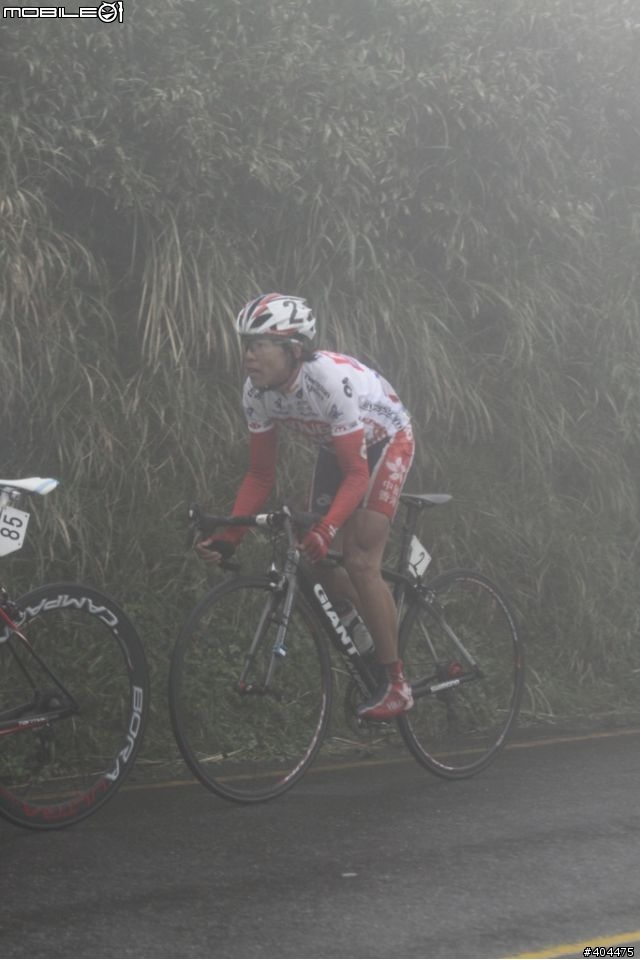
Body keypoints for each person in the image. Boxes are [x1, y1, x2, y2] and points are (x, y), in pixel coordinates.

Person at [196, 293, 415, 720]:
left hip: (386, 439)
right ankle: (367, 645)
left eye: (259, 344)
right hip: (338, 448)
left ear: (294, 350)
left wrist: (328, 527)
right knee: (318, 563)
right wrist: (230, 538)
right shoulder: (256, 393)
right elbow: (260, 475)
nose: (248, 355)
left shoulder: (328, 380)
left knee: (359, 558)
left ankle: (397, 683)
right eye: (246, 344)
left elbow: (357, 474)